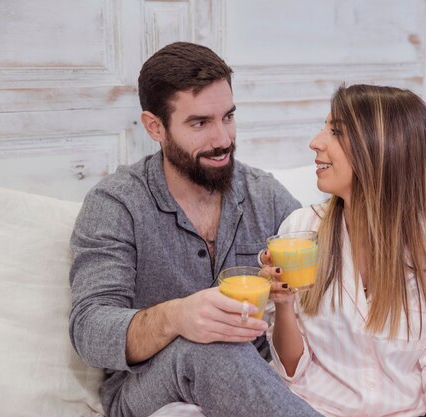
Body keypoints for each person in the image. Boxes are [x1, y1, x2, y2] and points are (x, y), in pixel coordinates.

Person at [68, 42, 323, 417]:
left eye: (228, 117)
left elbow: (329, 274)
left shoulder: (263, 194)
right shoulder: (116, 204)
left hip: (261, 380)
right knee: (211, 344)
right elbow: (89, 328)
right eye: (200, 123)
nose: (222, 139)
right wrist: (177, 317)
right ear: (155, 126)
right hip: (149, 387)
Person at [265, 85, 426, 417]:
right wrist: (282, 304)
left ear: (383, 150)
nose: (316, 141)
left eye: (336, 131)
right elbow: (292, 368)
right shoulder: (300, 230)